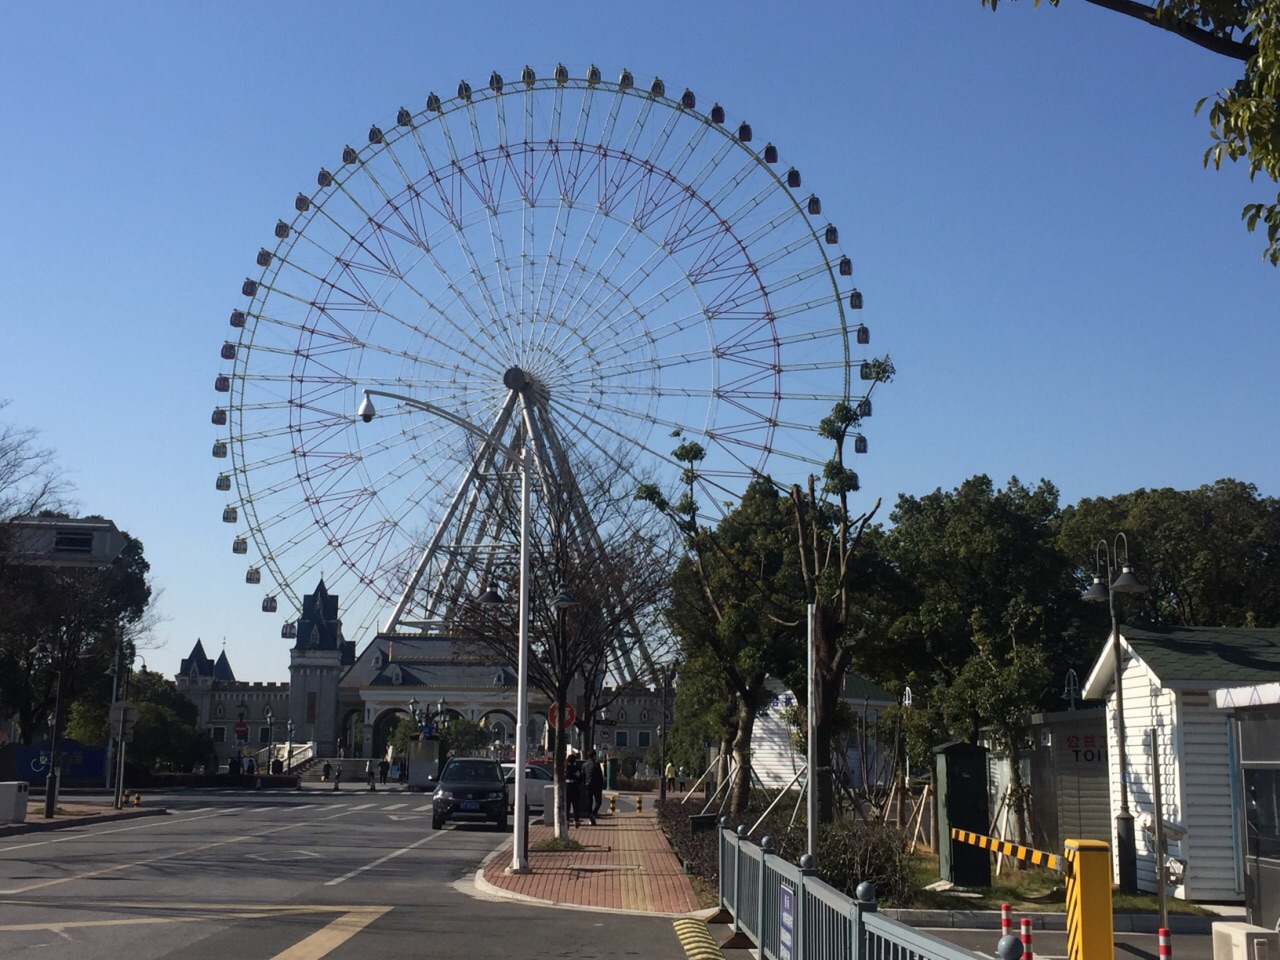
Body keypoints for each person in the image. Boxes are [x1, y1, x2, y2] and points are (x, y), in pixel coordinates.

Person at [587, 751, 605, 818]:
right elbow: (600, 775)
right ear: (594, 756)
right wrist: (602, 784)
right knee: (598, 802)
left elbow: (583, 775)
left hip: (588, 785)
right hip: (596, 785)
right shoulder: (596, 764)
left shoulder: (584, 765)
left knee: (589, 802)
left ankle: (590, 814)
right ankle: (593, 814)